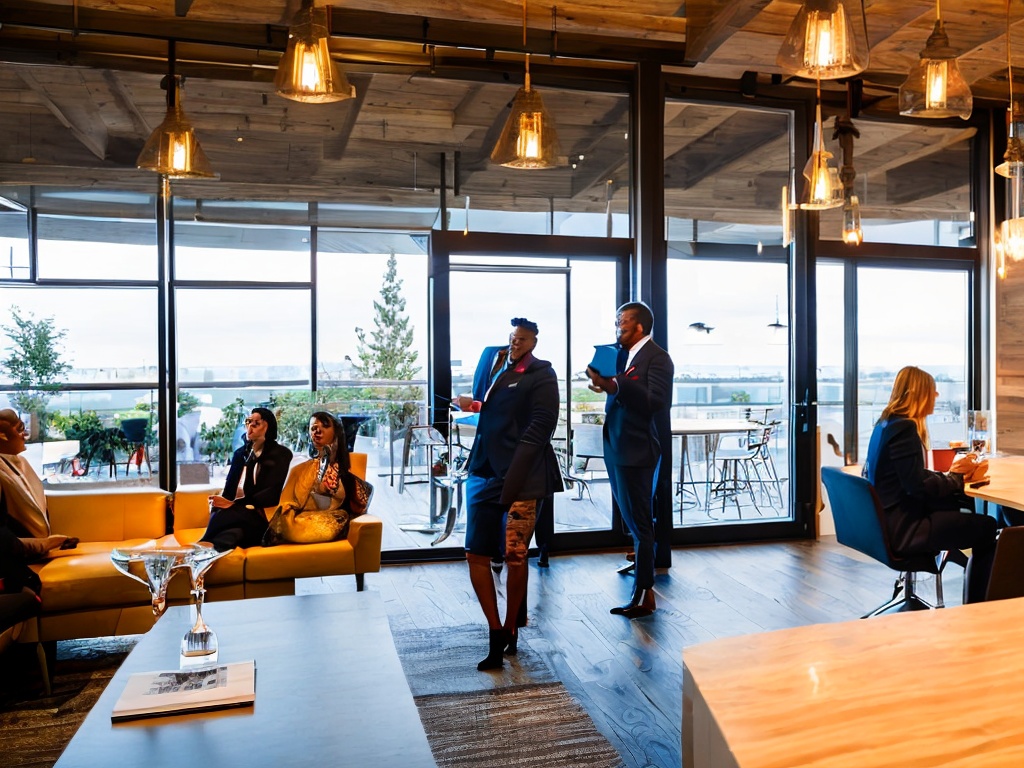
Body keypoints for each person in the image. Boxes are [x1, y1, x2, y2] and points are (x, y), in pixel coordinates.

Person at [457, 318, 563, 671]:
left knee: (516, 555)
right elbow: (495, 412)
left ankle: (512, 628)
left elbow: (540, 425)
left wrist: (516, 470)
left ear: (533, 341)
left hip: (522, 476)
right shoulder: (497, 367)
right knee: (475, 554)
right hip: (483, 470)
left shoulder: (542, 374)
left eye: (521, 338)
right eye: (512, 337)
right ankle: (495, 630)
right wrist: (473, 405)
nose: (515, 343)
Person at [863, 365, 999, 604]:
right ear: (919, 393)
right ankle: (978, 606)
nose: (936, 396)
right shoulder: (904, 428)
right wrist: (956, 480)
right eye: (933, 391)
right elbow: (915, 486)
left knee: (967, 513)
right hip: (907, 529)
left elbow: (910, 476)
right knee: (988, 526)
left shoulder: (886, 424)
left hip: (885, 524)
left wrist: (948, 477)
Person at [586, 301, 674, 619]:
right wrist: (608, 385)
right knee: (635, 523)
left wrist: (617, 384)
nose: (617, 327)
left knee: (640, 524)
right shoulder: (628, 357)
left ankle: (644, 595)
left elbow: (656, 402)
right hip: (620, 448)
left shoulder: (658, 359)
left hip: (637, 452)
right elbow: (626, 394)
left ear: (639, 326)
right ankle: (641, 590)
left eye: (621, 322)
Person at [200, 407, 293, 551]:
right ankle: (207, 550)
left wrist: (234, 506)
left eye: (256, 423)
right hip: (246, 519)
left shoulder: (281, 454)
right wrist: (223, 501)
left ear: (267, 426)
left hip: (266, 515)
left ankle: (202, 543)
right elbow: (230, 489)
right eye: (248, 422)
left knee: (227, 512)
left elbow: (271, 494)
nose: (250, 427)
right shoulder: (241, 453)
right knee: (233, 532)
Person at [275, 411, 371, 527]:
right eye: (313, 428)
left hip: (331, 523)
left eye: (325, 426)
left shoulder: (345, 474)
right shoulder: (299, 469)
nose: (317, 431)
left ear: (336, 432)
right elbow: (285, 505)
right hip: (302, 522)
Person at [0, 409, 67, 556]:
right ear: (3, 436)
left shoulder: (18, 462)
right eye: (19, 429)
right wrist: (40, 545)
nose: (25, 436)